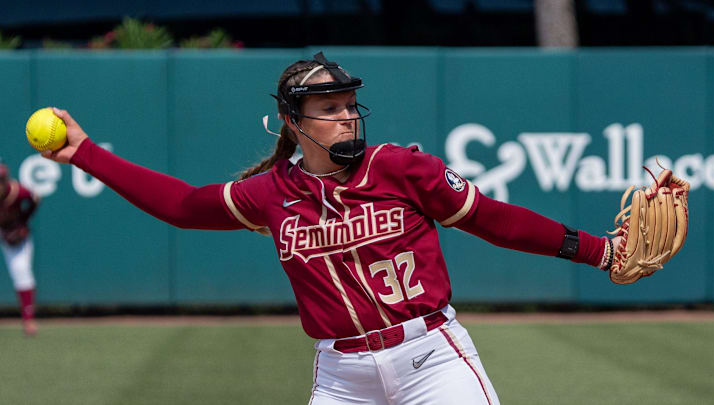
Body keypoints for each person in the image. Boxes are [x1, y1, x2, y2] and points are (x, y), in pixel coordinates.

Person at [42, 52, 617, 404]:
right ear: (294, 123)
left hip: (432, 360)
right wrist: (87, 152)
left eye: (349, 105)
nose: (347, 115)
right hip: (343, 376)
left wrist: (599, 252)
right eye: (330, 108)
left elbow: (497, 221)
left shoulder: (399, 167)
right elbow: (184, 206)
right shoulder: (273, 193)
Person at [0, 161, 40, 336]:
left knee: (21, 270)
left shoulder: (18, 192)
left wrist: (24, 220)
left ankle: (28, 320)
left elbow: (35, 198)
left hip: (13, 234)